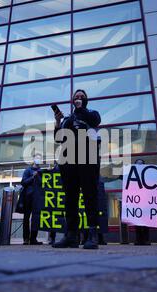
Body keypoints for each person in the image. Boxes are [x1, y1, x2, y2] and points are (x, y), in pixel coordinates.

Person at [52, 89, 101, 249]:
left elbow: (95, 121)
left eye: (82, 96)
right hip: (68, 161)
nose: (79, 98)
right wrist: (58, 122)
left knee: (90, 195)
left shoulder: (92, 113)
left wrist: (81, 109)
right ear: (72, 101)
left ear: (86, 100)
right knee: (70, 198)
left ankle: (92, 234)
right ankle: (71, 235)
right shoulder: (67, 119)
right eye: (76, 97)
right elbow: (58, 138)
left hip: (88, 158)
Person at [20, 153, 43, 245]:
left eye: (40, 158)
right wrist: (33, 176)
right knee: (26, 219)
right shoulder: (28, 170)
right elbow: (23, 182)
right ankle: (26, 239)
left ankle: (33, 239)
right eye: (37, 158)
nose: (38, 159)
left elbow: (44, 184)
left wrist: (38, 176)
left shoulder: (41, 171)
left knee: (36, 218)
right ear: (33, 159)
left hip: (37, 198)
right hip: (28, 198)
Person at [133, 159, 150, 246]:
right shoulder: (132, 175)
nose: (139, 165)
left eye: (141, 164)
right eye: (137, 164)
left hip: (146, 201)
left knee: (146, 221)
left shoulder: (148, 175)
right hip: (136, 201)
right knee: (137, 221)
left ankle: (146, 239)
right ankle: (138, 239)